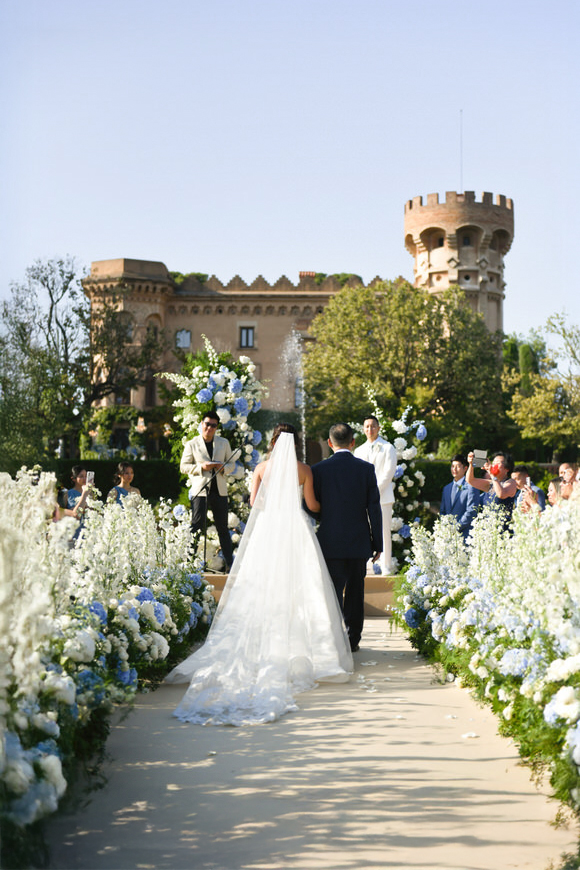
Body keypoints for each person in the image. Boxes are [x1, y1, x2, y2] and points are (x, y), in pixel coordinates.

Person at [166, 424, 353, 725]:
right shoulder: (304, 469)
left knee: (262, 586)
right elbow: (312, 504)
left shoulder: (262, 468)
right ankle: (307, 651)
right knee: (304, 587)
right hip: (296, 529)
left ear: (273, 442)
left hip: (268, 529)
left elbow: (255, 503)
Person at [312, 422, 383, 653]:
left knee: (331, 592)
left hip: (329, 541)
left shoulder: (318, 470)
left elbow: (310, 507)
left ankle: (332, 639)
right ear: (353, 442)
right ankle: (352, 641)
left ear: (329, 443)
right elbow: (374, 508)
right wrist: (378, 543)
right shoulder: (366, 469)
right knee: (355, 593)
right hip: (358, 542)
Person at [180, 411, 236, 572]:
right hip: (201, 490)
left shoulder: (223, 443)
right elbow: (183, 466)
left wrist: (224, 468)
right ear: (201, 424)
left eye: (213, 425)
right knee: (196, 526)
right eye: (207, 424)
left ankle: (230, 566)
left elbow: (232, 464)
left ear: (217, 427)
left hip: (219, 491)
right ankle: (188, 565)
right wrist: (200, 468)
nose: (210, 428)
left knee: (223, 529)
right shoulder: (192, 444)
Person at [353, 414, 397, 574]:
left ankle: (386, 566)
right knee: (365, 530)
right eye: (367, 426)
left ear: (378, 428)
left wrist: (374, 491)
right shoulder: (358, 450)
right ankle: (368, 565)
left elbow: (388, 471)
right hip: (363, 499)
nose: (369, 429)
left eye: (372, 426)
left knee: (384, 531)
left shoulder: (388, 447)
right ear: (363, 429)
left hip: (383, 498)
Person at [466, 450, 518, 530]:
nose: (494, 465)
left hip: (502, 530)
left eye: (498, 463)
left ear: (507, 468)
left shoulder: (511, 482)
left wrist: (492, 474)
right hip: (488, 529)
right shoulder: (491, 483)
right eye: (493, 463)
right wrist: (471, 464)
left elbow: (501, 494)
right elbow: (470, 480)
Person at [440, 453, 480, 539]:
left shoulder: (472, 486)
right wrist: (446, 528)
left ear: (465, 468)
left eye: (458, 466)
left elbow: (471, 511)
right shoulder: (446, 488)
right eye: (452, 466)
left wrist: (456, 527)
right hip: (448, 536)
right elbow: (442, 511)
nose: (454, 469)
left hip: (465, 535)